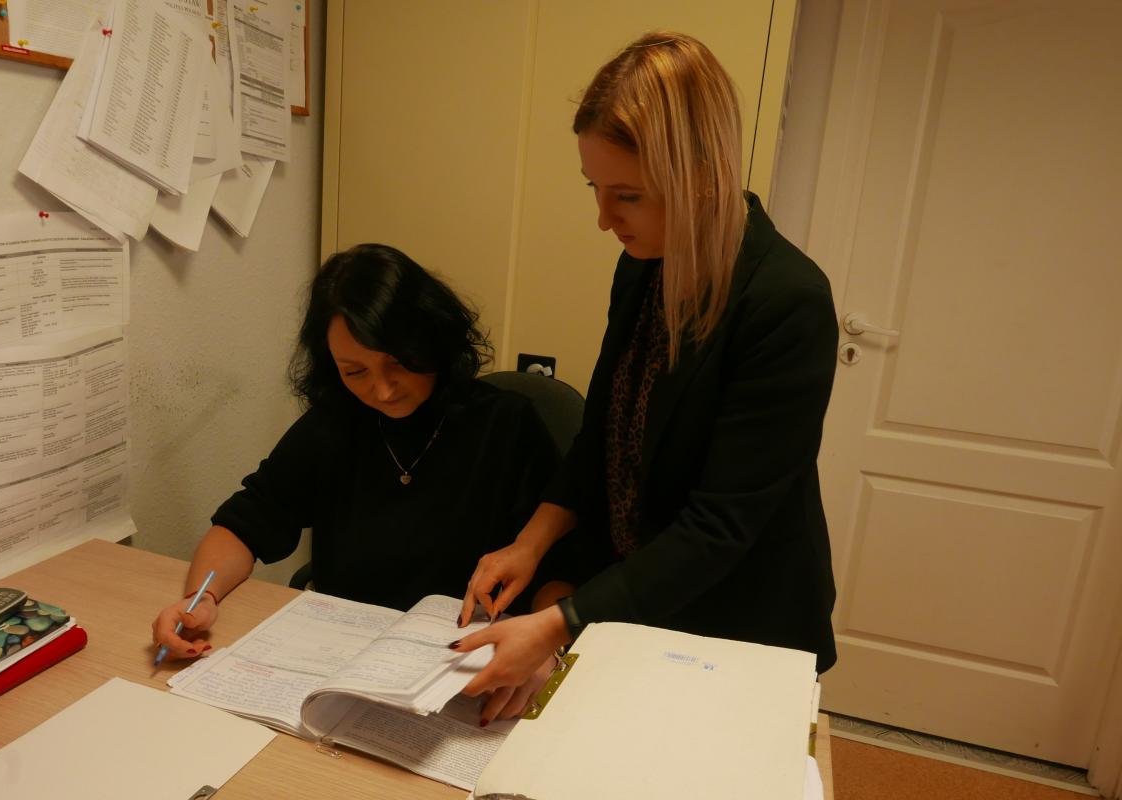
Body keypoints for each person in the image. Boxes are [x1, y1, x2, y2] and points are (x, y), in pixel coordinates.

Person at [452, 31, 840, 719]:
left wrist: (558, 623)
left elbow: (719, 526)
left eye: (626, 195)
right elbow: (602, 433)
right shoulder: (644, 265)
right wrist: (528, 543)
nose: (604, 220)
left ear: (702, 176)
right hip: (639, 594)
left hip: (740, 617)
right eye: (595, 189)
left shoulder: (787, 300)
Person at [152, 243, 558, 660]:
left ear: (432, 339)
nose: (382, 391)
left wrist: (547, 646)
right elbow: (245, 523)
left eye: (398, 363)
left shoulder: (506, 425)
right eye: (355, 371)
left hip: (470, 654)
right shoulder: (335, 423)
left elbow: (561, 566)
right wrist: (201, 599)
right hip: (345, 653)